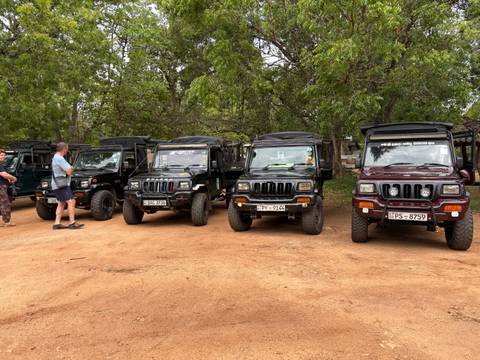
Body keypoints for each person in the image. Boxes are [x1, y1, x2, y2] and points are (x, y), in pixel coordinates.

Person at [51, 142, 84, 230]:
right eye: (67, 149)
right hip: (62, 184)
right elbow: (69, 172)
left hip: (56, 184)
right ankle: (72, 223)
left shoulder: (55, 157)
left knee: (61, 203)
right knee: (71, 201)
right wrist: (72, 168)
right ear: (64, 149)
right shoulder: (60, 158)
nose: (67, 151)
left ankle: (57, 223)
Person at [0, 149, 16, 227]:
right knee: (5, 203)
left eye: (4, 155)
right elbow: (4, 174)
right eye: (1, 155)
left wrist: (8, 178)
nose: (3, 157)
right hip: (1, 186)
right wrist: (14, 178)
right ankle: (7, 222)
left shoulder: (1, 165)